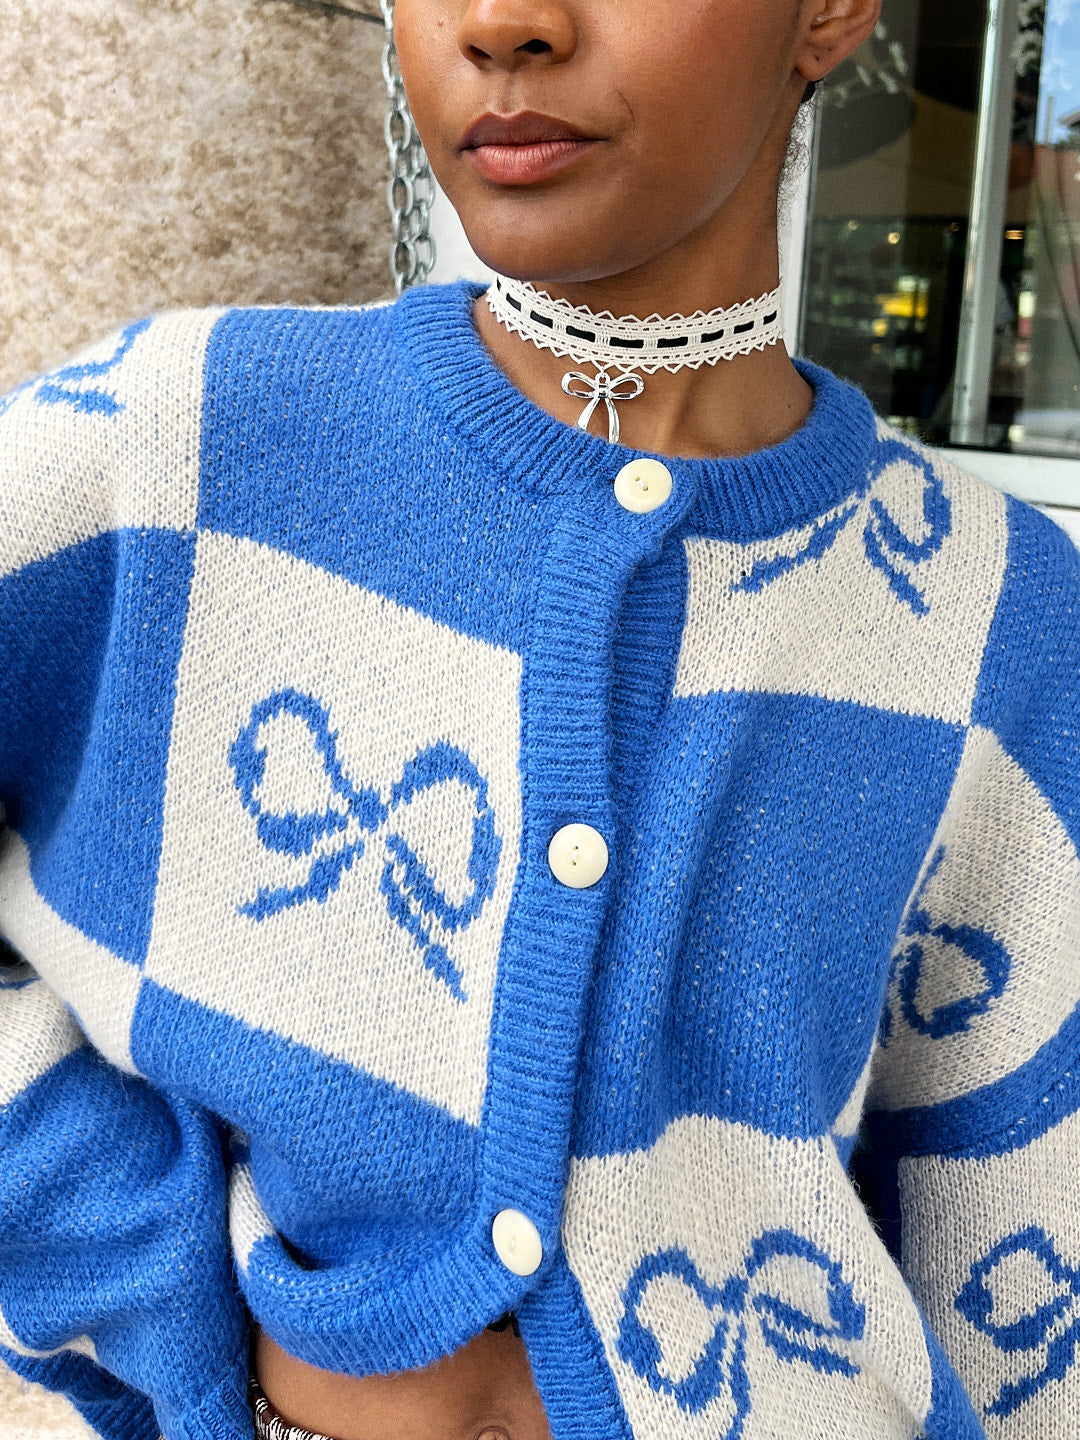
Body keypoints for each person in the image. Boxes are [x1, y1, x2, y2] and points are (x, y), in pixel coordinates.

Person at [1, 0, 1079, 1437]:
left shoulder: (1000, 616)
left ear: (828, 13)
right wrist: (126, 1253)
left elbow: (1024, 1217)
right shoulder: (180, 442)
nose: (504, 22)